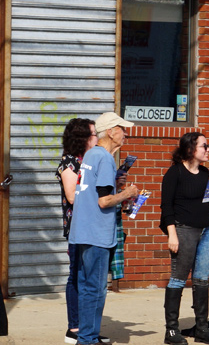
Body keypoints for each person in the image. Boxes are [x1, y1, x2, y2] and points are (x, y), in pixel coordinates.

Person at [69, 112, 139, 345]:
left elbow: (95, 193)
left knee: (87, 287)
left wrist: (115, 186)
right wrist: (127, 193)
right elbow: (103, 201)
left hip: (82, 232)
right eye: (122, 129)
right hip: (97, 234)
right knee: (96, 290)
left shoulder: (91, 154)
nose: (126, 134)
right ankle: (88, 338)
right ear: (111, 131)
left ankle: (86, 336)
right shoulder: (106, 158)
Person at [159, 132, 209, 345]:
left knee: (202, 279)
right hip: (183, 231)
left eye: (207, 146)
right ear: (190, 149)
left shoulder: (206, 173)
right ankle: (171, 331)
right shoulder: (174, 173)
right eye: (204, 146)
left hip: (205, 231)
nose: (208, 149)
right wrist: (172, 234)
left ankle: (202, 328)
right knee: (178, 278)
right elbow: (166, 207)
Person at [56, 118, 113, 344]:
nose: (97, 137)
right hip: (77, 227)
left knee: (87, 278)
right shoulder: (69, 162)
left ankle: (87, 328)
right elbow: (72, 196)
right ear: (82, 138)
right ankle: (75, 326)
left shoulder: (92, 158)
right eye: (93, 134)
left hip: (91, 224)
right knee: (77, 276)